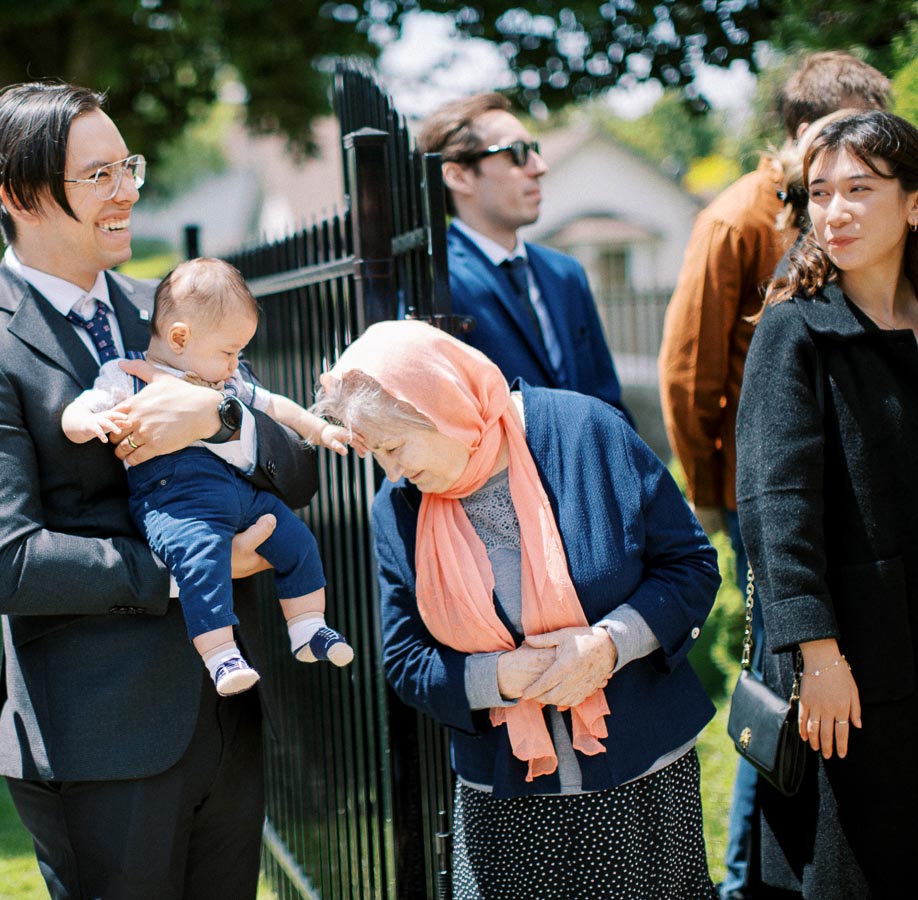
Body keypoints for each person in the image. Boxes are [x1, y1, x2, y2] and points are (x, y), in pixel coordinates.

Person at [0, 82, 318, 898]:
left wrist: (218, 417)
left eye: (126, 166)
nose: (128, 190)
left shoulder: (171, 310)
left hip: (226, 725)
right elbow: (3, 563)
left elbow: (300, 471)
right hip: (97, 745)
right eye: (98, 175)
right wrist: (194, 567)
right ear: (21, 195)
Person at [314, 319, 720, 899]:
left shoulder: (588, 431)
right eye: (378, 454)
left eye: (394, 447)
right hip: (504, 804)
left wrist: (608, 644)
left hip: (641, 783)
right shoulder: (399, 506)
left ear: (441, 406)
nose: (393, 472)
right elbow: (405, 661)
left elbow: (691, 567)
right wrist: (498, 677)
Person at [657, 50, 889, 900]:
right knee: (784, 692)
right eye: (836, 146)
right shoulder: (735, 220)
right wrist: (717, 499)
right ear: (801, 136)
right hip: (778, 493)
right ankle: (751, 878)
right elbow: (689, 375)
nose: (844, 182)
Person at [736, 109, 918, 899]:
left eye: (860, 189)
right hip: (853, 666)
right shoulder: (796, 330)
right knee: (855, 874)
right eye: (819, 192)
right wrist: (817, 654)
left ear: (913, 203)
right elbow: (775, 511)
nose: (835, 210)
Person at [62, 256, 351, 696]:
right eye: (229, 352)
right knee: (200, 560)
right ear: (180, 337)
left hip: (238, 491)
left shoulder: (223, 384)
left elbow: (275, 406)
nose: (236, 365)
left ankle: (309, 627)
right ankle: (221, 656)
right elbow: (86, 403)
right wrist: (82, 423)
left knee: (296, 539)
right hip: (173, 499)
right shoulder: (129, 375)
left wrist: (320, 428)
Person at [417, 92, 630, 421]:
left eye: (535, 151)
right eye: (517, 153)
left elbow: (608, 401)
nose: (539, 167)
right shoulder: (433, 281)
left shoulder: (566, 273)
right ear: (459, 176)